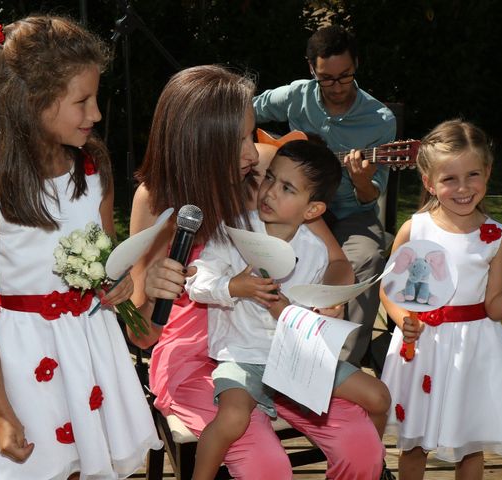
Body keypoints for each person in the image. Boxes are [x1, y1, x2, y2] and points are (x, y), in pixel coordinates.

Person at [129, 65, 385, 479]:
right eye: (238, 140)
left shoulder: (265, 175)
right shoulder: (156, 200)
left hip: (275, 337)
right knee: (266, 464)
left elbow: (336, 262)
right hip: (196, 356)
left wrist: (327, 299)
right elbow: (142, 335)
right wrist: (157, 289)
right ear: (200, 142)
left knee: (361, 445)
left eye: (252, 134)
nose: (253, 153)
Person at [0, 16, 161, 479]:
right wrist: (4, 414)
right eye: (82, 101)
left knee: (91, 465)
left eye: (96, 98)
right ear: (32, 104)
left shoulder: (95, 170)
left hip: (90, 350)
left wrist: (118, 282)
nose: (97, 115)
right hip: (26, 365)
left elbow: (107, 262)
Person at [186, 140, 391, 480]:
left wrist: (326, 312)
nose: (269, 192)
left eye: (287, 188)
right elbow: (198, 280)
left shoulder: (315, 250)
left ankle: (374, 468)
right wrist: (234, 286)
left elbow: (306, 318)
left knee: (378, 396)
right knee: (233, 419)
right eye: (270, 179)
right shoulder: (235, 229)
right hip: (242, 355)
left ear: (312, 210)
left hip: (294, 358)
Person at [379, 119, 502, 480]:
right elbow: (389, 288)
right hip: (424, 345)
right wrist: (400, 319)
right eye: (449, 179)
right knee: (413, 442)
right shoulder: (415, 228)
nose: (463, 188)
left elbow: (494, 307)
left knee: (470, 443)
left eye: (472, 174)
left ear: (487, 173)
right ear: (429, 182)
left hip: (473, 347)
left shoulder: (496, 237)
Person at [253, 24, 397, 366]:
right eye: (325, 78)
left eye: (344, 76)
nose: (335, 87)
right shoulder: (296, 96)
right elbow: (246, 110)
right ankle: (266, 353)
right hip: (292, 208)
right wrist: (259, 152)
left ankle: (338, 366)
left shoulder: (379, 120)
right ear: (310, 69)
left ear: (356, 65)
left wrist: (361, 179)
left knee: (366, 259)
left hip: (349, 214)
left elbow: (371, 196)